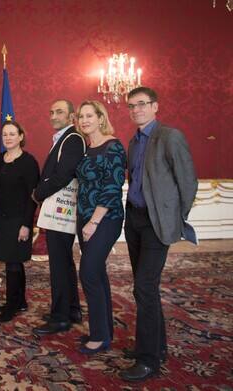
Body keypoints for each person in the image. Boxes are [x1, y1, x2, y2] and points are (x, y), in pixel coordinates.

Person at [119, 87, 197, 382]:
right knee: (145, 287)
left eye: (141, 104)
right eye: (131, 106)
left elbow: (188, 181)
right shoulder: (133, 141)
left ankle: (148, 359)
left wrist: (176, 217)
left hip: (156, 223)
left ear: (154, 106)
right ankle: (157, 346)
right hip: (135, 219)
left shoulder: (169, 136)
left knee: (144, 287)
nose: (135, 110)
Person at [74, 101, 126, 354]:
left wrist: (94, 222)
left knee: (89, 274)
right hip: (83, 219)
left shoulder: (112, 146)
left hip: (105, 219)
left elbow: (111, 188)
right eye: (81, 117)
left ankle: (99, 336)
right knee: (98, 274)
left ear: (100, 118)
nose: (84, 120)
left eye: (89, 116)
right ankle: (106, 330)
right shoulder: (86, 147)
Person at [32, 99, 85, 335]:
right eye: (51, 111)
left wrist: (38, 193)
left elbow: (63, 174)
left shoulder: (72, 138)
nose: (53, 115)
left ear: (72, 116)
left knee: (59, 263)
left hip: (61, 211)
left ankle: (60, 317)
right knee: (64, 261)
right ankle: (71, 309)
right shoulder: (63, 138)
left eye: (60, 112)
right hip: (60, 210)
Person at [0, 121, 40, 322]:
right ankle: (20, 300)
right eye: (5, 134)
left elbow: (33, 197)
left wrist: (26, 225)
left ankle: (11, 305)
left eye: (12, 134)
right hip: (2, 220)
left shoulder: (29, 162)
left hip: (19, 220)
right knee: (12, 262)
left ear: (21, 136)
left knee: (13, 264)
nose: (8, 138)